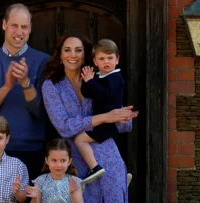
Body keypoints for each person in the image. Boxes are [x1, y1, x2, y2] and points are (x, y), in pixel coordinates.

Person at [41, 34, 136, 203]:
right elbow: (63, 126)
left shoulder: (100, 79)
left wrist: (123, 118)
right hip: (75, 159)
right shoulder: (51, 86)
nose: (73, 55)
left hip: (108, 154)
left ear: (85, 56)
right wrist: (104, 118)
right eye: (67, 50)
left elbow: (122, 121)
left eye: (78, 50)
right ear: (60, 56)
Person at [0, 3, 50, 182]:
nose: (19, 32)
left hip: (32, 152)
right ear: (4, 25)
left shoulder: (44, 62)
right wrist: (6, 87)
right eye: (14, 25)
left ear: (30, 29)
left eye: (24, 27)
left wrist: (25, 83)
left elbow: (41, 113)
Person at [74, 39, 138, 184]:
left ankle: (94, 168)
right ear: (95, 62)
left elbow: (104, 94)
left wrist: (90, 81)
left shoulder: (116, 78)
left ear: (117, 59)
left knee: (80, 140)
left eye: (110, 58)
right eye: (101, 59)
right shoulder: (100, 77)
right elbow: (89, 93)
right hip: (103, 121)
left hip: (107, 123)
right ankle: (121, 176)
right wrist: (86, 81)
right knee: (111, 149)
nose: (106, 62)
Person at [24, 138, 84, 203]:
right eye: (54, 160)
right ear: (47, 161)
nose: (58, 165)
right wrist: (35, 198)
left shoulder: (75, 182)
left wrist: (72, 193)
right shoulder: (40, 181)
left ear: (69, 161)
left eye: (63, 160)